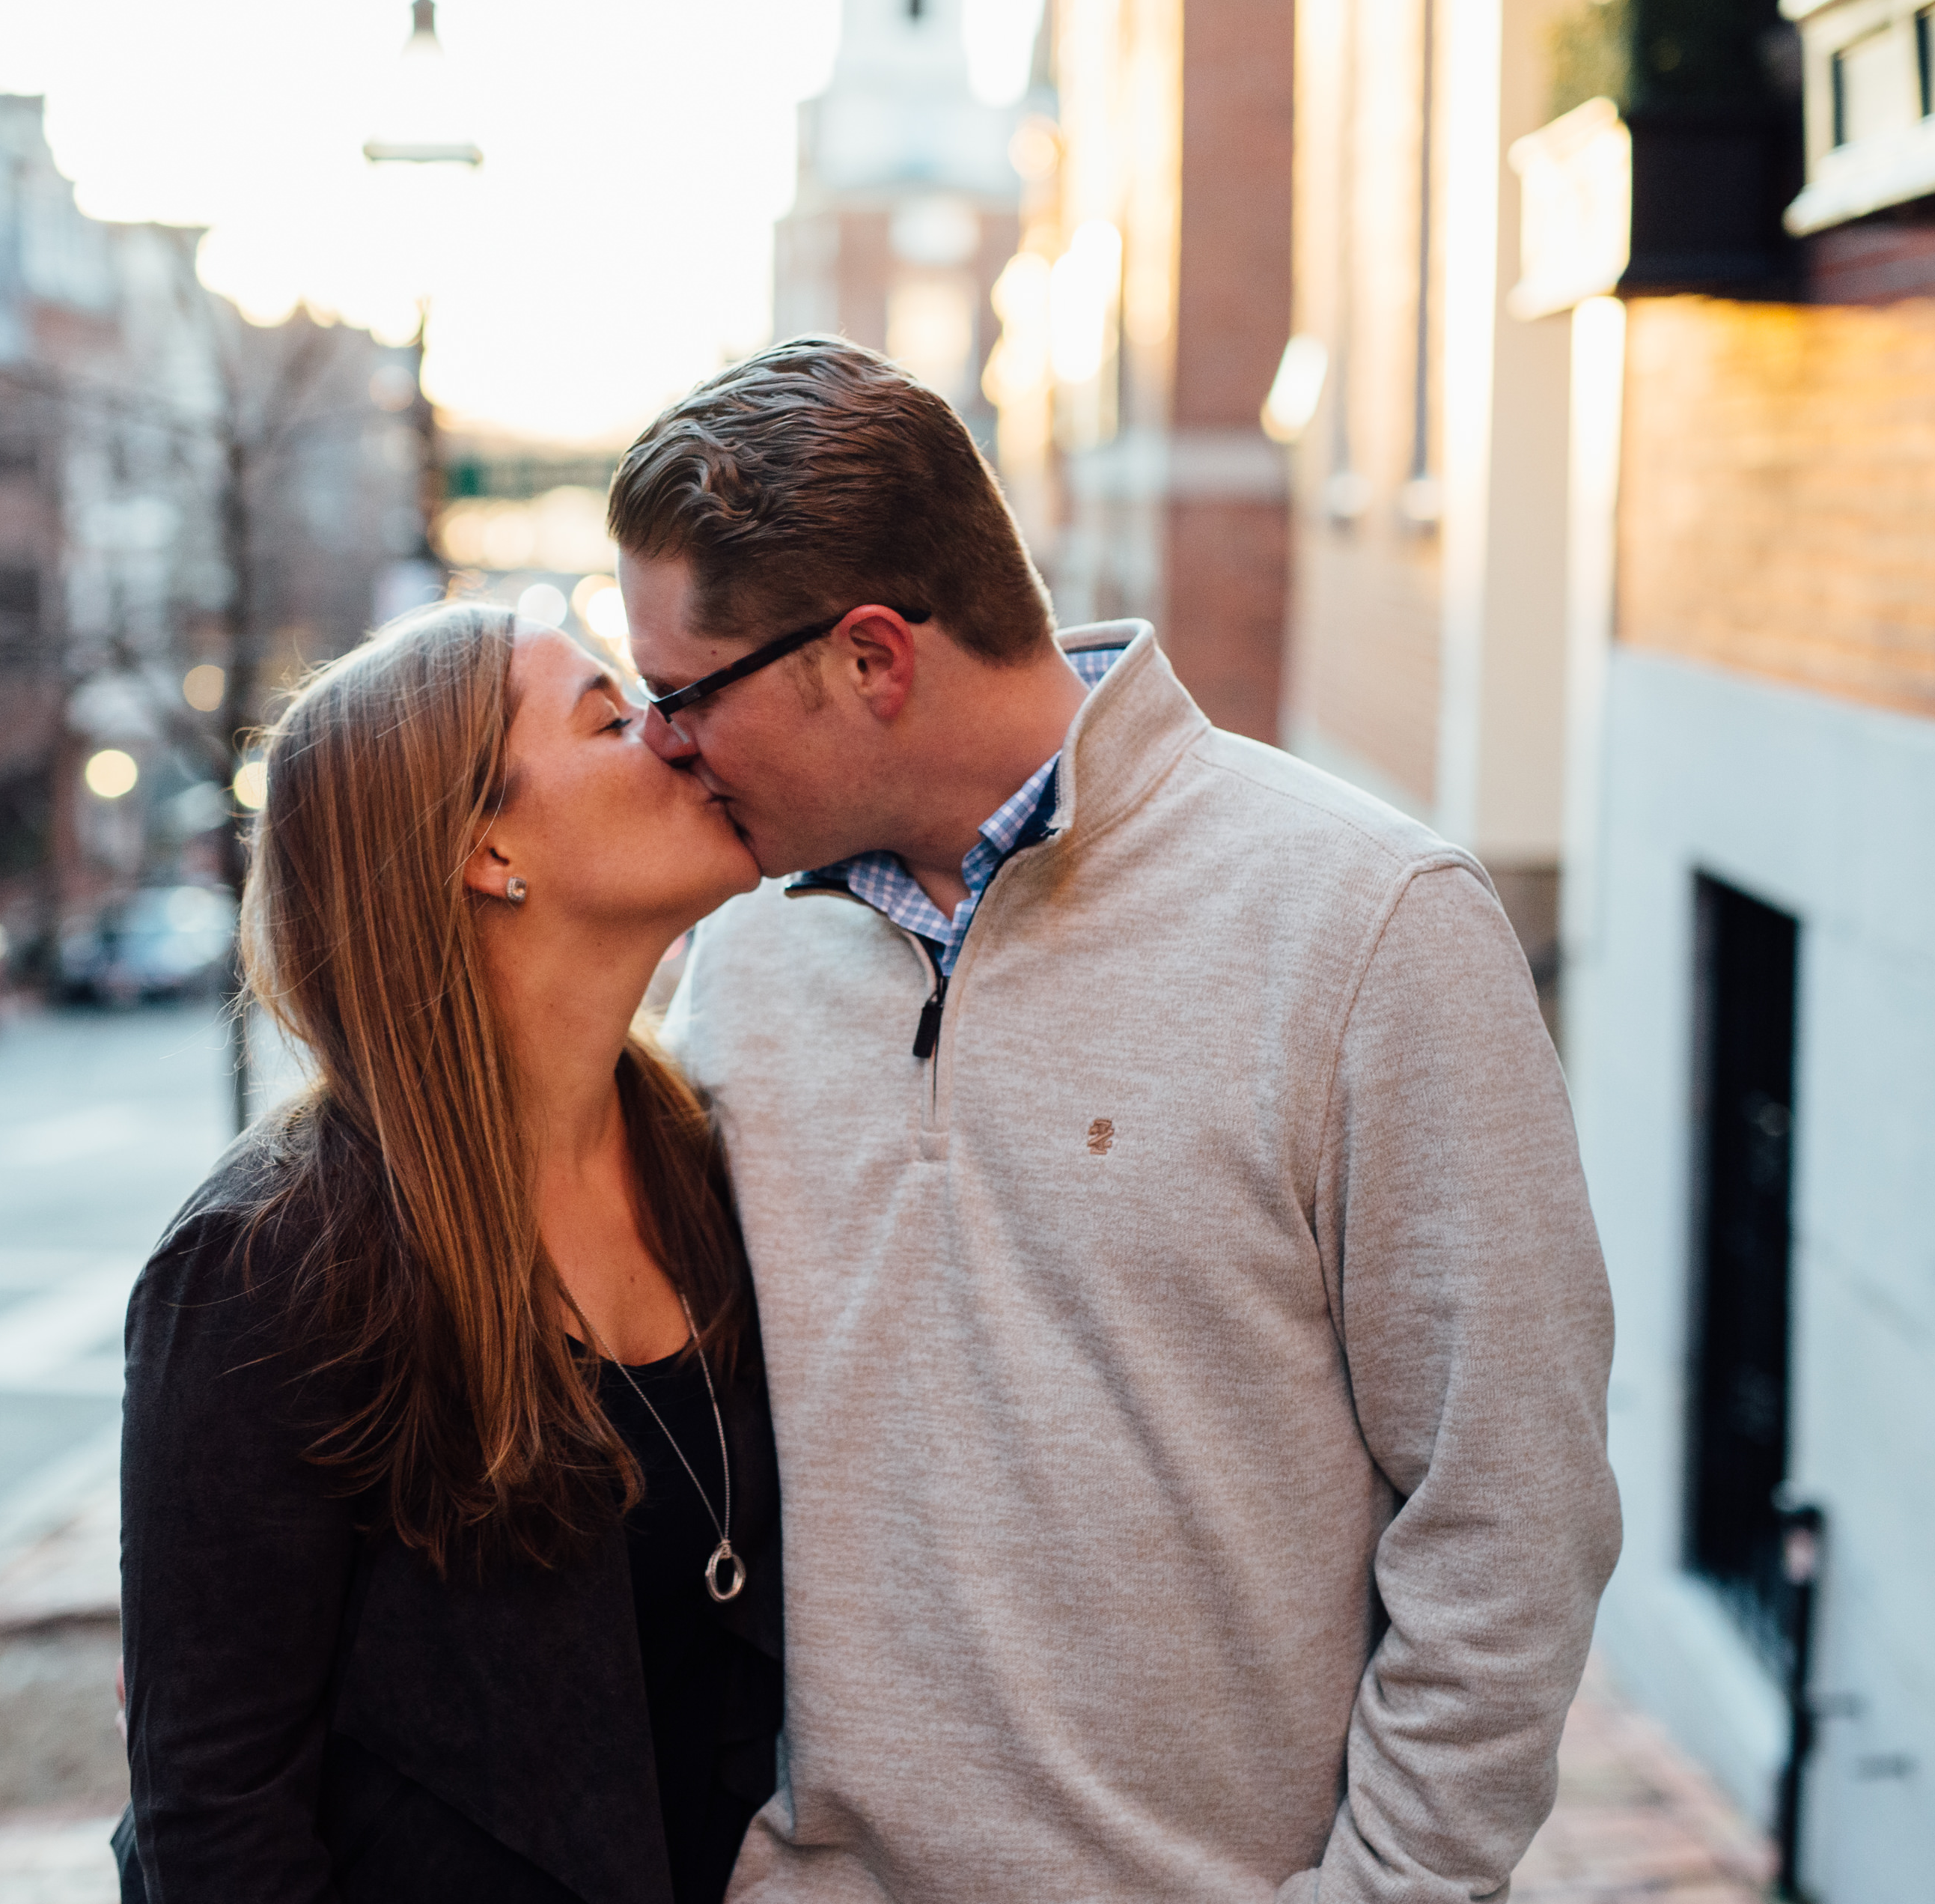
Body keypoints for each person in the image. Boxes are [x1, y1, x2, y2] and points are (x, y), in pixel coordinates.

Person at [613, 335, 1622, 1903]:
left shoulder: (1369, 926)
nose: (663, 745)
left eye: (687, 695)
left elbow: (1513, 1511)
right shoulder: (742, 961)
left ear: (872, 657)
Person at [115, 602, 782, 1904]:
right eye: (612, 716)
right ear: (488, 848)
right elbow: (214, 1820)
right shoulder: (269, 1266)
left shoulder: (710, 1160)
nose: (678, 732)